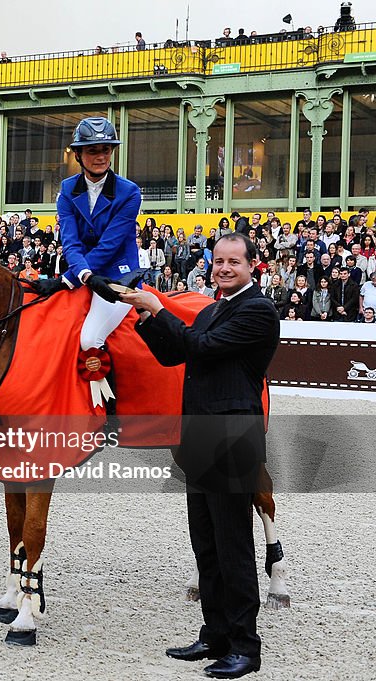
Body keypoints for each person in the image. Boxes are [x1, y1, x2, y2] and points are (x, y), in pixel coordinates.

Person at [121, 233, 279, 680]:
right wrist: (144, 316)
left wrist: (158, 309)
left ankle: (245, 647)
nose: (224, 268)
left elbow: (203, 348)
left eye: (234, 261)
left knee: (233, 547)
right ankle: (215, 634)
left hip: (232, 438)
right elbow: (174, 352)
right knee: (206, 546)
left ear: (252, 266)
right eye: (219, 261)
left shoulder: (258, 311)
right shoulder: (212, 310)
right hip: (201, 440)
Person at [47, 116, 142, 409]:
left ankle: (110, 414)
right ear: (78, 154)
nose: (100, 156)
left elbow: (110, 245)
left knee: (90, 338)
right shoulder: (66, 189)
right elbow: (71, 242)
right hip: (84, 271)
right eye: (92, 150)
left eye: (106, 150)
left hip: (119, 275)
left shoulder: (129, 192)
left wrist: (75, 277)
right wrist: (81, 275)